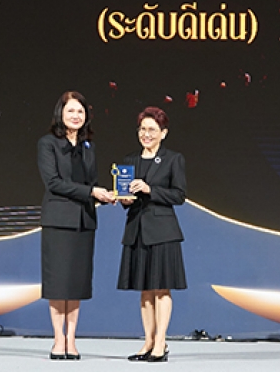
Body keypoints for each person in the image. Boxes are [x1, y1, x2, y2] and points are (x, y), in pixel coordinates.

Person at [38, 91, 116, 360]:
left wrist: (108, 196)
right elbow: (54, 183)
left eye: (80, 111)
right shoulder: (48, 143)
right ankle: (58, 339)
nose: (76, 116)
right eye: (71, 110)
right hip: (58, 221)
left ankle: (72, 339)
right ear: (60, 113)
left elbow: (91, 183)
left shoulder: (88, 146)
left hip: (84, 220)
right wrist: (92, 192)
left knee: (76, 284)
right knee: (58, 283)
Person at [118, 107, 187, 363]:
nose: (146, 134)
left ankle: (161, 343)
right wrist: (124, 199)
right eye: (142, 129)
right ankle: (148, 341)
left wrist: (150, 189)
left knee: (161, 289)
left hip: (162, 232)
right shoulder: (129, 160)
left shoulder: (173, 159)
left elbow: (179, 195)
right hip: (136, 230)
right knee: (144, 290)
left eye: (152, 130)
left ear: (163, 133)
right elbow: (125, 196)